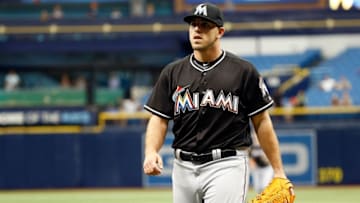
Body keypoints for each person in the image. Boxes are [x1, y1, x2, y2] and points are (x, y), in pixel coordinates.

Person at [142, 3, 293, 203]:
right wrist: (151, 151)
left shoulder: (243, 71)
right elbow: (159, 118)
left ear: (220, 31)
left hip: (226, 165)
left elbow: (262, 121)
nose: (197, 29)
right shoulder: (172, 72)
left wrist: (278, 170)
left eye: (205, 25)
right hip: (182, 168)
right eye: (193, 24)